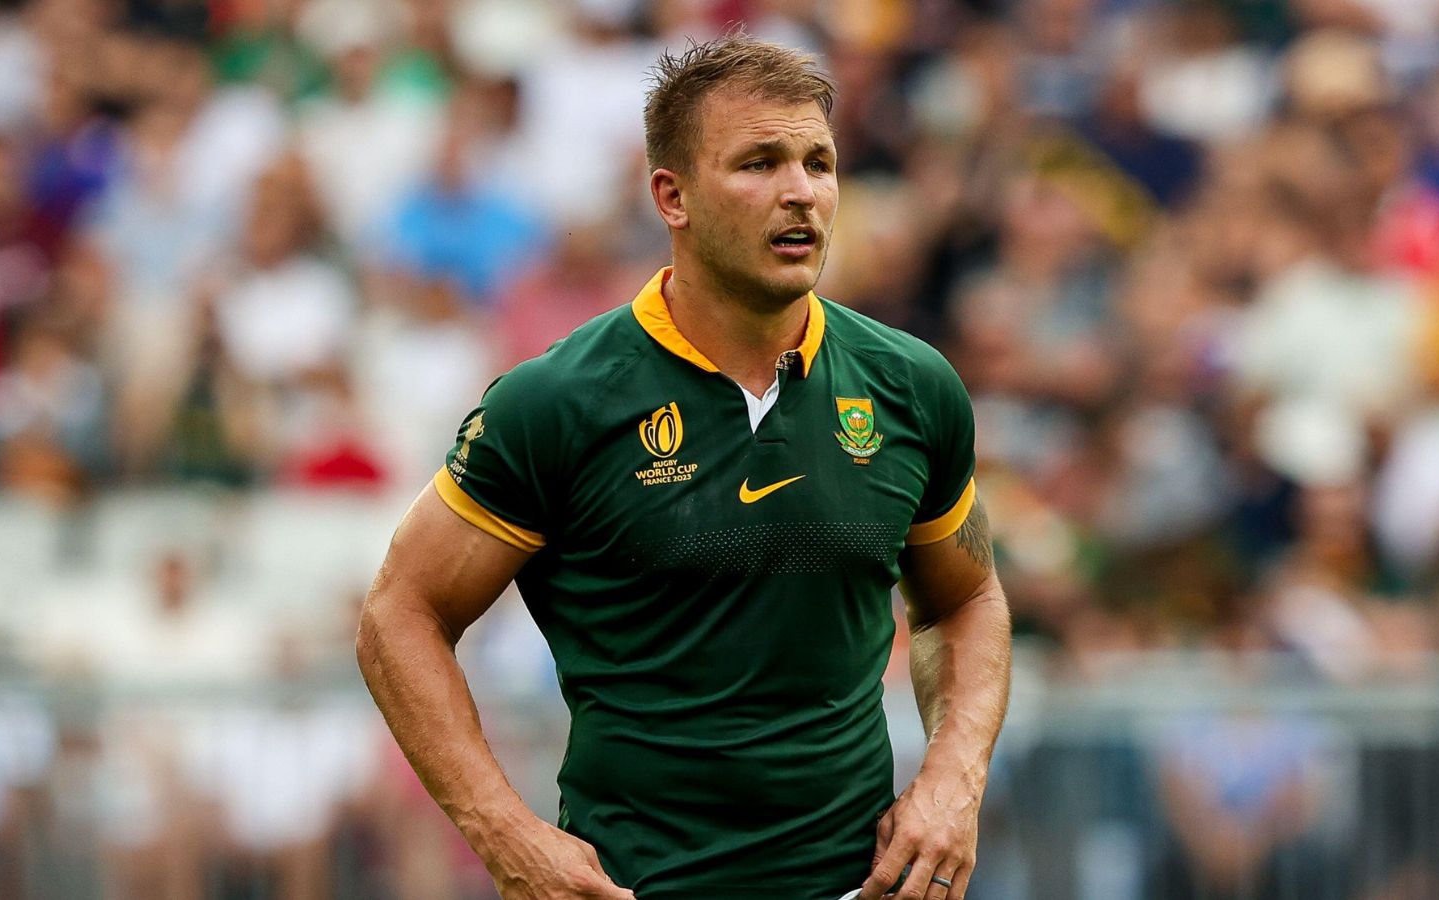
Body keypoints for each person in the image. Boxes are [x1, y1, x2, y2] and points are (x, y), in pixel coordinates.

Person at [356, 34, 1013, 900]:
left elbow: (965, 600)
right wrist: (506, 836)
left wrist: (953, 783)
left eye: (819, 163)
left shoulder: (911, 386)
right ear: (673, 196)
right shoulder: (557, 401)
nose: (801, 193)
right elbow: (398, 614)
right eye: (759, 163)